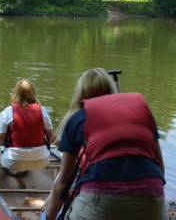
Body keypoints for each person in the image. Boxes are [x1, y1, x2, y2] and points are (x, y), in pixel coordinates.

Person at [43, 68, 167, 220]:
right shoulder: (141, 113)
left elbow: (62, 184)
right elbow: (160, 168)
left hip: (100, 199)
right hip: (152, 194)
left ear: (81, 95)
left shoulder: (78, 118)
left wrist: (49, 216)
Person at [0, 79, 56, 175]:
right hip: (42, 160)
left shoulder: (7, 112)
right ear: (34, 93)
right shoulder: (43, 111)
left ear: (15, 94)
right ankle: (25, 169)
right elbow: (52, 139)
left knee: (0, 154)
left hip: (14, 161)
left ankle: (15, 172)